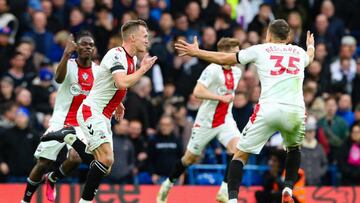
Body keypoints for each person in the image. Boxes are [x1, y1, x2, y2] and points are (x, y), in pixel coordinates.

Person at [175, 19, 315, 203]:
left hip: (268, 110)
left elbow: (226, 59)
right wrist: (310, 46)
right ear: (288, 37)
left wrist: (197, 52)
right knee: (294, 148)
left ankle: (232, 199)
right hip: (295, 111)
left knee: (240, 155)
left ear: (269, 35)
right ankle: (288, 188)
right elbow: (310, 57)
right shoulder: (299, 52)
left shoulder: (261, 49)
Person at [41, 20, 157, 203]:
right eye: (144, 36)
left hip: (104, 115)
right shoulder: (116, 55)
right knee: (106, 159)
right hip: (91, 111)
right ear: (132, 38)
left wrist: (118, 102)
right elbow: (121, 82)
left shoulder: (132, 59)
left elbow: (112, 84)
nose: (147, 40)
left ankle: (69, 137)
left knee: (105, 165)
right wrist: (143, 69)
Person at [157, 38, 242, 203]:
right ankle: (167, 184)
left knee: (239, 150)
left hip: (225, 120)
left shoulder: (237, 71)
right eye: (235, 52)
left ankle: (224, 191)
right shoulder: (212, 69)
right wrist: (219, 97)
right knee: (189, 159)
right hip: (206, 122)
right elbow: (197, 91)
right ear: (224, 53)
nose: (238, 56)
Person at [21, 31, 99, 203]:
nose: (88, 47)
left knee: (76, 158)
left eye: (91, 45)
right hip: (60, 120)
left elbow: (106, 91)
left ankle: (53, 178)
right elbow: (58, 77)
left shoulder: (98, 71)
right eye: (84, 44)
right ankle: (25, 200)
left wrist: (119, 104)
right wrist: (66, 53)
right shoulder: (68, 64)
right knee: (43, 163)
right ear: (77, 47)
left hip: (82, 124)